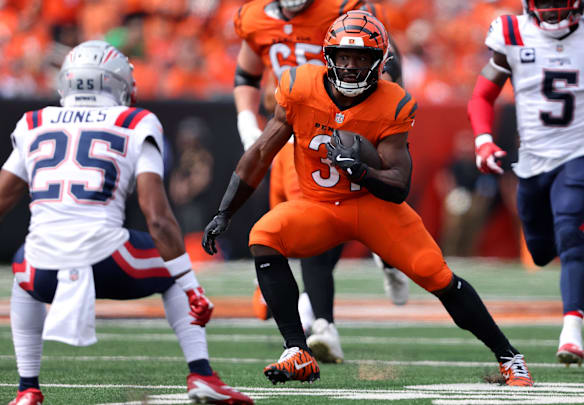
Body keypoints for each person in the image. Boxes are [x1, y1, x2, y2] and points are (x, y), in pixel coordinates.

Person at [203, 10, 534, 387]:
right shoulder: (298, 85)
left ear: (379, 63)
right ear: (327, 56)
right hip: (318, 205)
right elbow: (261, 153)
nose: (349, 66)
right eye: (343, 56)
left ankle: (510, 358)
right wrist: (226, 210)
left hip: (373, 207)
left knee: (437, 275)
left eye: (360, 58)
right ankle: (297, 350)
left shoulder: (393, 102)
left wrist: (362, 172)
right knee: (264, 236)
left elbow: (399, 184)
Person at [3, 41, 253, 405]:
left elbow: (2, 197)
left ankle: (27, 388)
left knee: (23, 268)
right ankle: (201, 373)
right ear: (117, 83)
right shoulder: (135, 121)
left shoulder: (34, 122)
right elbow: (158, 218)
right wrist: (190, 284)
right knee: (171, 272)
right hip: (109, 260)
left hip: (43, 269)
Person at [232, 0, 407, 364]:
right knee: (298, 225)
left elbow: (387, 59)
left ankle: (322, 322)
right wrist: (246, 122)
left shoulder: (343, 8)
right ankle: (319, 297)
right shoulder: (254, 17)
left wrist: (379, 116)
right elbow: (246, 76)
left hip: (339, 124)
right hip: (287, 128)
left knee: (327, 212)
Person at [467, 0, 584, 366]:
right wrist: (483, 140)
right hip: (530, 163)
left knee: (570, 236)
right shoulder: (513, 33)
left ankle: (571, 333)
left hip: (579, 154)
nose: (550, 8)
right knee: (542, 251)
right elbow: (482, 95)